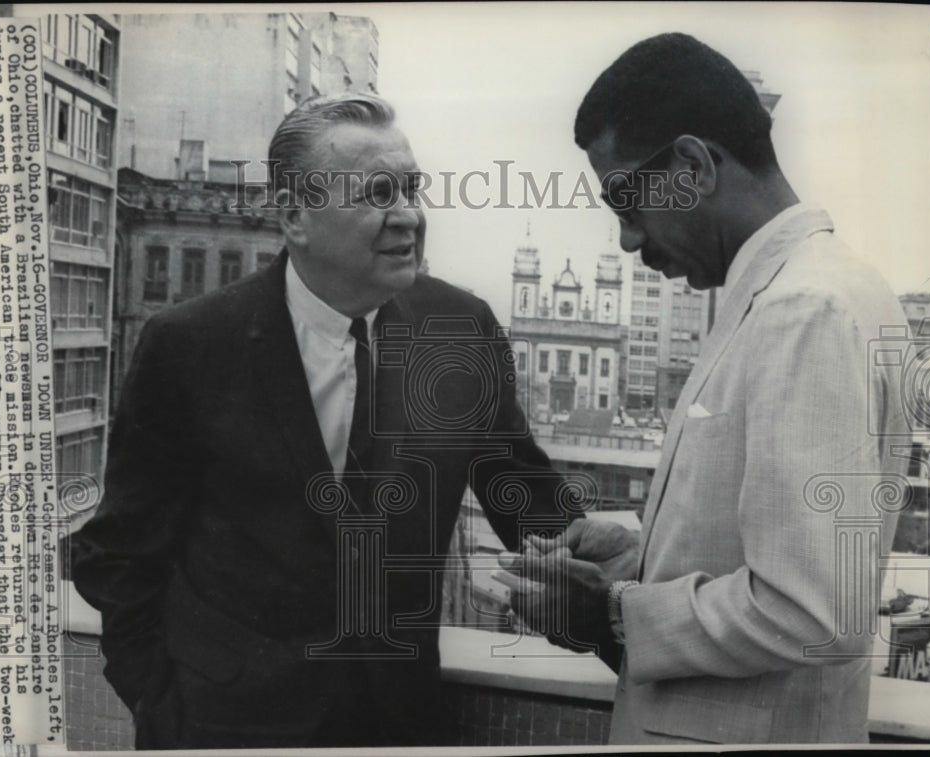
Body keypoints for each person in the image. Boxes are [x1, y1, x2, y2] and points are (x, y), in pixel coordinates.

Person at [71, 93, 573, 749]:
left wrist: (640, 586)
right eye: (379, 193)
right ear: (294, 216)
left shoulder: (460, 331)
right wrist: (162, 705)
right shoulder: (190, 345)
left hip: (399, 725)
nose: (410, 217)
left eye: (413, 190)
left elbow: (532, 506)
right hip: (225, 728)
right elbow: (118, 555)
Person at [501, 32, 913, 744]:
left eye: (628, 203)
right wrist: (639, 555)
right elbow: (782, 558)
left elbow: (812, 612)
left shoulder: (803, 308)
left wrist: (614, 614)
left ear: (692, 164)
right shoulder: (798, 291)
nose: (628, 240)